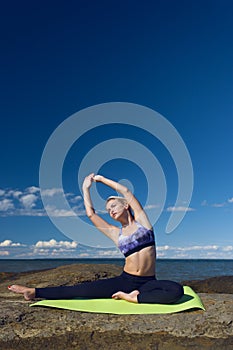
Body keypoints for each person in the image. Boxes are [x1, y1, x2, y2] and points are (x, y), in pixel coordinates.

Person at [8, 173, 184, 304]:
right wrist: (86, 189)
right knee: (79, 290)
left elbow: (125, 190)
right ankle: (33, 292)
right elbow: (90, 214)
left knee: (177, 290)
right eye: (108, 210)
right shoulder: (117, 233)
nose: (111, 211)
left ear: (126, 205)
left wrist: (101, 179)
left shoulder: (143, 223)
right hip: (125, 280)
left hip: (147, 281)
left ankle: (133, 298)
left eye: (114, 206)